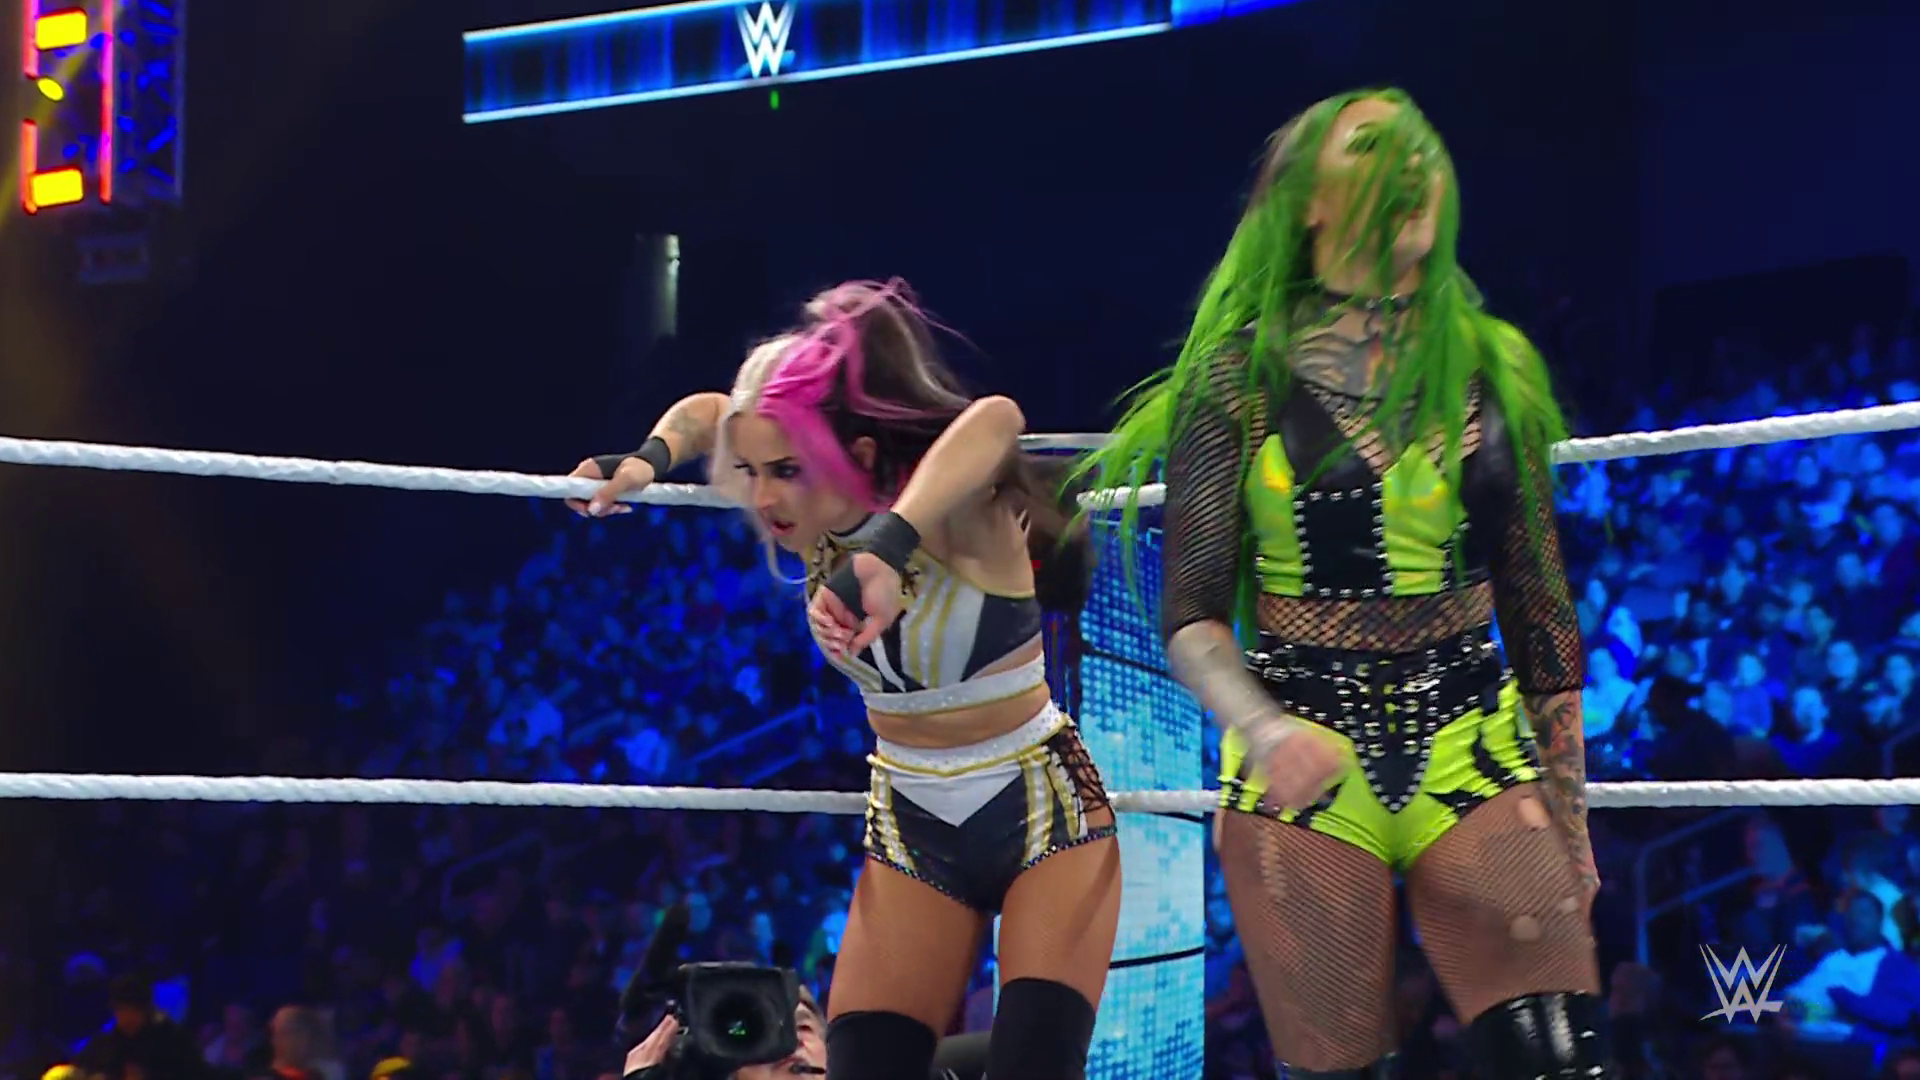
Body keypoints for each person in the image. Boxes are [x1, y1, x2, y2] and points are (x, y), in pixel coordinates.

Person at [1079, 88, 1608, 1077]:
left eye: (1420, 147)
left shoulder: (1492, 365)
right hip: (1302, 742)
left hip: (1472, 739)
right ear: (1307, 201)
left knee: (1565, 1060)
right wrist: (1264, 729)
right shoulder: (1237, 374)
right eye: (1370, 146)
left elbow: (1542, 615)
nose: (1408, 163)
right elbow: (1191, 615)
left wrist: (1571, 825)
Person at [574, 279, 1121, 1080]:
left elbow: (998, 417)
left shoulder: (960, 516)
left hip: (1042, 809)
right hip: (910, 819)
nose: (763, 496)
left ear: (855, 456)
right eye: (751, 470)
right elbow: (709, 413)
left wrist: (889, 547)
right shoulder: (810, 525)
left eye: (786, 469)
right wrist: (646, 460)